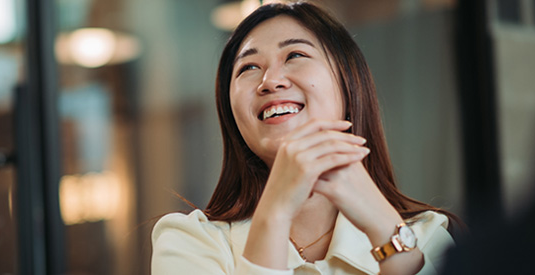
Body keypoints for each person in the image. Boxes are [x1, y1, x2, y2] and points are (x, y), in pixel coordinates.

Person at [152, 2, 459, 274]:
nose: (270, 81)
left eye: (295, 54)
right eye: (248, 67)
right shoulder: (188, 242)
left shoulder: (428, 236)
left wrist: (385, 229)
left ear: (348, 86)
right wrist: (275, 211)